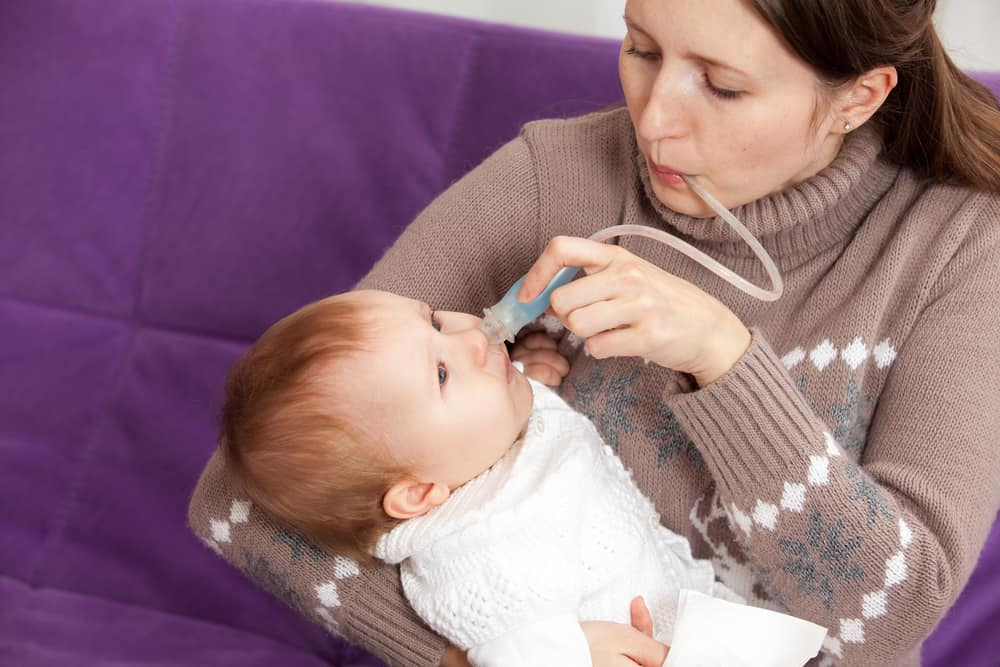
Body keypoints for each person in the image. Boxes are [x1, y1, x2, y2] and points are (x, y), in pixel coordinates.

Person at [333, 1, 1000, 664]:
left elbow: (888, 618)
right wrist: (494, 656)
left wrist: (724, 358)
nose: (651, 122)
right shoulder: (553, 179)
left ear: (858, 97)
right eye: (642, 50)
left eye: (722, 85)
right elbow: (246, 500)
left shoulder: (959, 247)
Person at [219, 288, 827, 667]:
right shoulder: (469, 558)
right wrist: (574, 657)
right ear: (419, 495)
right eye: (440, 373)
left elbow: (536, 444)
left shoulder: (477, 446)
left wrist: (529, 384)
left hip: (693, 605)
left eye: (433, 320)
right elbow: (514, 653)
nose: (471, 338)